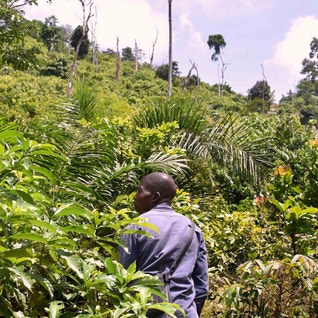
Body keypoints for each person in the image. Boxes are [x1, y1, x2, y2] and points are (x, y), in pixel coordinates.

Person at [119, 172, 209, 317]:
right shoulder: (192, 228)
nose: (135, 196)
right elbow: (202, 286)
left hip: (148, 311)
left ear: (155, 196)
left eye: (139, 191)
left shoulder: (135, 227)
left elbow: (123, 278)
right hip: (185, 312)